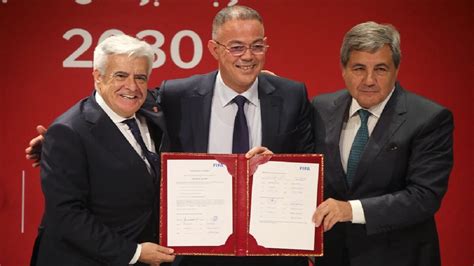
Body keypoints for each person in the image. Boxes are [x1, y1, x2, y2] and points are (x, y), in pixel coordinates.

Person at [27, 5, 313, 266]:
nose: (248, 56)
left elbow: (309, 165)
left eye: (257, 46)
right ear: (214, 48)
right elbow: (111, 108)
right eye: (236, 47)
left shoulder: (291, 95)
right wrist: (55, 142)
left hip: (268, 249)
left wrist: (278, 164)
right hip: (195, 253)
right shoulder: (177, 95)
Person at [311, 21, 454, 266]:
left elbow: (424, 196)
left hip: (399, 257)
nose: (369, 80)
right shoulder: (319, 109)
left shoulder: (429, 118)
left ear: (396, 70)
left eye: (380, 69)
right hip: (334, 257)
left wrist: (350, 210)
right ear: (343, 69)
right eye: (358, 68)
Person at [32, 34, 175, 265]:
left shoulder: (151, 109)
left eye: (140, 77)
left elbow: (193, 91)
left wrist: (255, 79)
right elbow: (67, 216)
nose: (132, 86)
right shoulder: (68, 132)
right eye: (120, 75)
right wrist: (134, 253)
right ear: (98, 77)